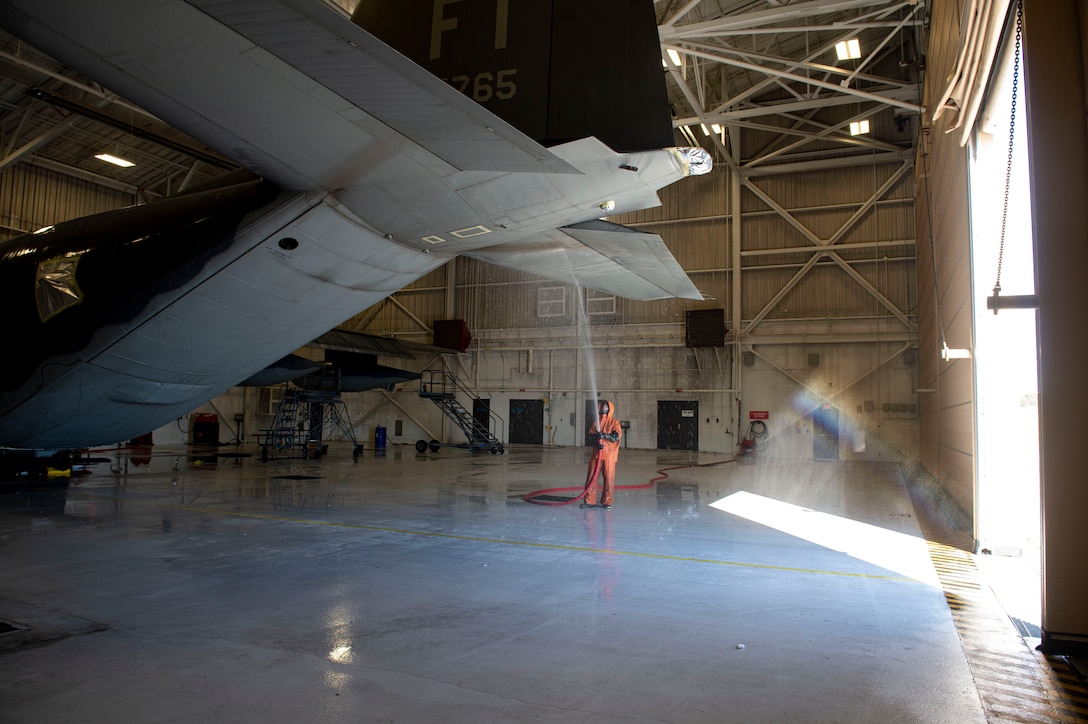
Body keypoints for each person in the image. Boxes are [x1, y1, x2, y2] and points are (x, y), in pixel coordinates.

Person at [583, 399, 621, 509]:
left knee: (609, 479)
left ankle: (607, 502)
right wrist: (596, 441)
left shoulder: (615, 423)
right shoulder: (597, 422)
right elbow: (590, 436)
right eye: (602, 406)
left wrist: (603, 435)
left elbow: (615, 437)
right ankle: (589, 500)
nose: (603, 408)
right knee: (592, 478)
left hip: (609, 456)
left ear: (610, 408)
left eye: (605, 407)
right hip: (596, 455)